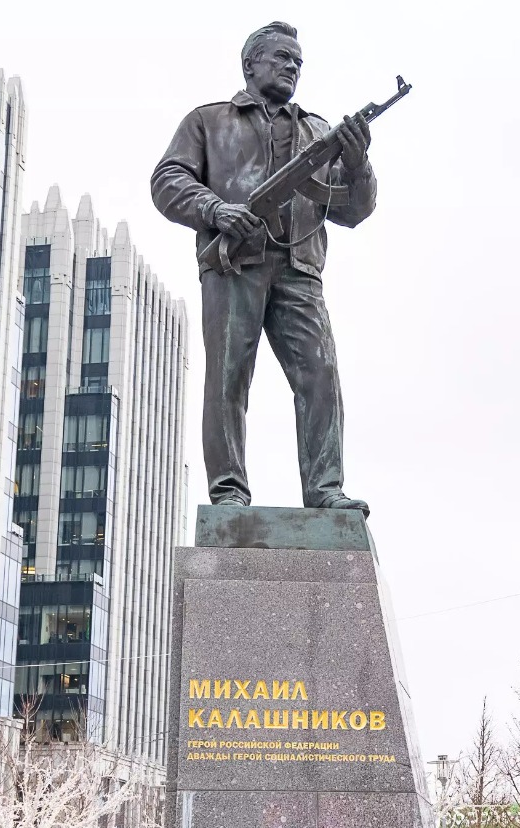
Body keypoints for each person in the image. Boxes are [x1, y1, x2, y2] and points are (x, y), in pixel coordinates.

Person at [152, 21, 377, 515]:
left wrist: (359, 165)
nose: (292, 66)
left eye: (297, 61)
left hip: (299, 268)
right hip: (235, 263)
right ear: (250, 65)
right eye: (281, 57)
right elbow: (167, 180)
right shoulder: (208, 121)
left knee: (321, 375)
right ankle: (229, 491)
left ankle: (325, 491)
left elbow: (354, 211)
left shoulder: (320, 133)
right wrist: (216, 211)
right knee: (229, 377)